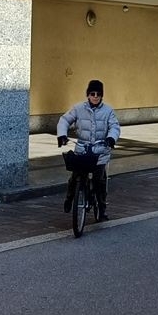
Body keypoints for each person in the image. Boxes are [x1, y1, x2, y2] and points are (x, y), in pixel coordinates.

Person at [57, 80, 120, 220]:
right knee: (75, 177)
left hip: (100, 151)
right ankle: (69, 198)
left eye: (98, 94)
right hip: (82, 150)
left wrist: (111, 138)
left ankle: (102, 209)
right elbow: (65, 120)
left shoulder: (108, 111)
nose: (95, 96)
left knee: (99, 181)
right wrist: (62, 135)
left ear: (102, 95)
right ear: (88, 95)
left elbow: (114, 127)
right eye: (92, 93)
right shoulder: (78, 108)